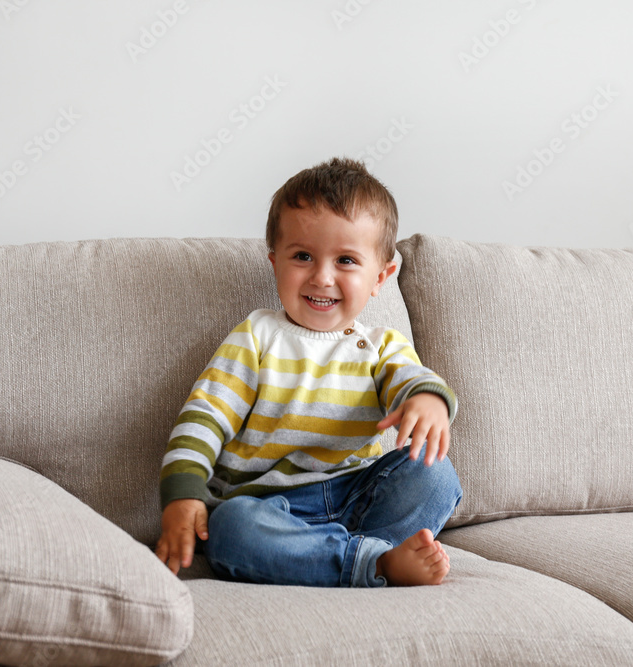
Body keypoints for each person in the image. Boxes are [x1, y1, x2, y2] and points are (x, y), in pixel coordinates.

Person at [155, 157, 462, 587]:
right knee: (232, 529)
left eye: (346, 260)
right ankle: (373, 563)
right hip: (270, 506)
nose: (322, 277)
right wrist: (183, 494)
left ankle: (349, 557)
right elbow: (204, 418)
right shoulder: (257, 337)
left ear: (381, 276)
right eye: (302, 256)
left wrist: (427, 398)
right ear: (275, 262)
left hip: (357, 495)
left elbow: (409, 377)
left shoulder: (380, 347)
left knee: (435, 473)